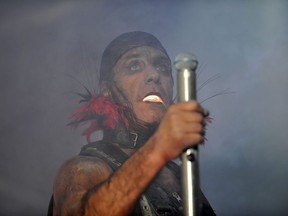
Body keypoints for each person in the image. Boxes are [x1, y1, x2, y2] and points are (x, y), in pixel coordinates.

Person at [48, 31, 216, 216]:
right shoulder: (83, 169)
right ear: (106, 90)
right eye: (134, 66)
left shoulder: (181, 176)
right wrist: (158, 147)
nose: (154, 74)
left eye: (162, 67)